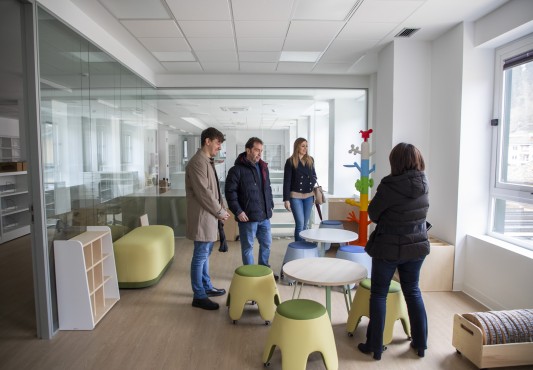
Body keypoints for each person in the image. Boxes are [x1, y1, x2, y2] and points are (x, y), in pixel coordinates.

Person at [357, 142, 430, 360]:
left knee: (379, 294)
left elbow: (374, 214)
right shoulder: (424, 182)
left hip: (388, 247)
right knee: (413, 291)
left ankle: (375, 346)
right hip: (416, 246)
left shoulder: (389, 185)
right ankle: (421, 343)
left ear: (395, 162)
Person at [185, 127, 230, 310]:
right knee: (200, 255)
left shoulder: (206, 161)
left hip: (209, 215)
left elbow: (214, 190)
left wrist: (221, 208)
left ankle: (206, 286)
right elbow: (204, 193)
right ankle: (199, 295)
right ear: (207, 141)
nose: (219, 147)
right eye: (218, 143)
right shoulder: (197, 162)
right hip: (203, 216)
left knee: (205, 255)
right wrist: (220, 211)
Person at [225, 137, 276, 277]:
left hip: (264, 216)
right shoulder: (236, 170)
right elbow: (230, 193)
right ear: (248, 150)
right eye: (256, 150)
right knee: (248, 248)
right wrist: (238, 211)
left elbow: (268, 188)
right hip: (247, 217)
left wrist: (270, 204)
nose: (260, 153)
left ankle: (264, 272)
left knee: (266, 244)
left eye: (261, 151)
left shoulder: (263, 167)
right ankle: (251, 276)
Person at [283, 137, 317, 241]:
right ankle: (298, 248)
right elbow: (287, 181)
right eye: (303, 146)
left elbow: (314, 175)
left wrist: (312, 182)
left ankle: (304, 247)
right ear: (297, 147)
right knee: (300, 224)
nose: (305, 148)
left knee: (305, 225)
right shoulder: (290, 161)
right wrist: (286, 199)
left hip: (309, 196)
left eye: (306, 146)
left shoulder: (310, 160)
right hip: (295, 197)